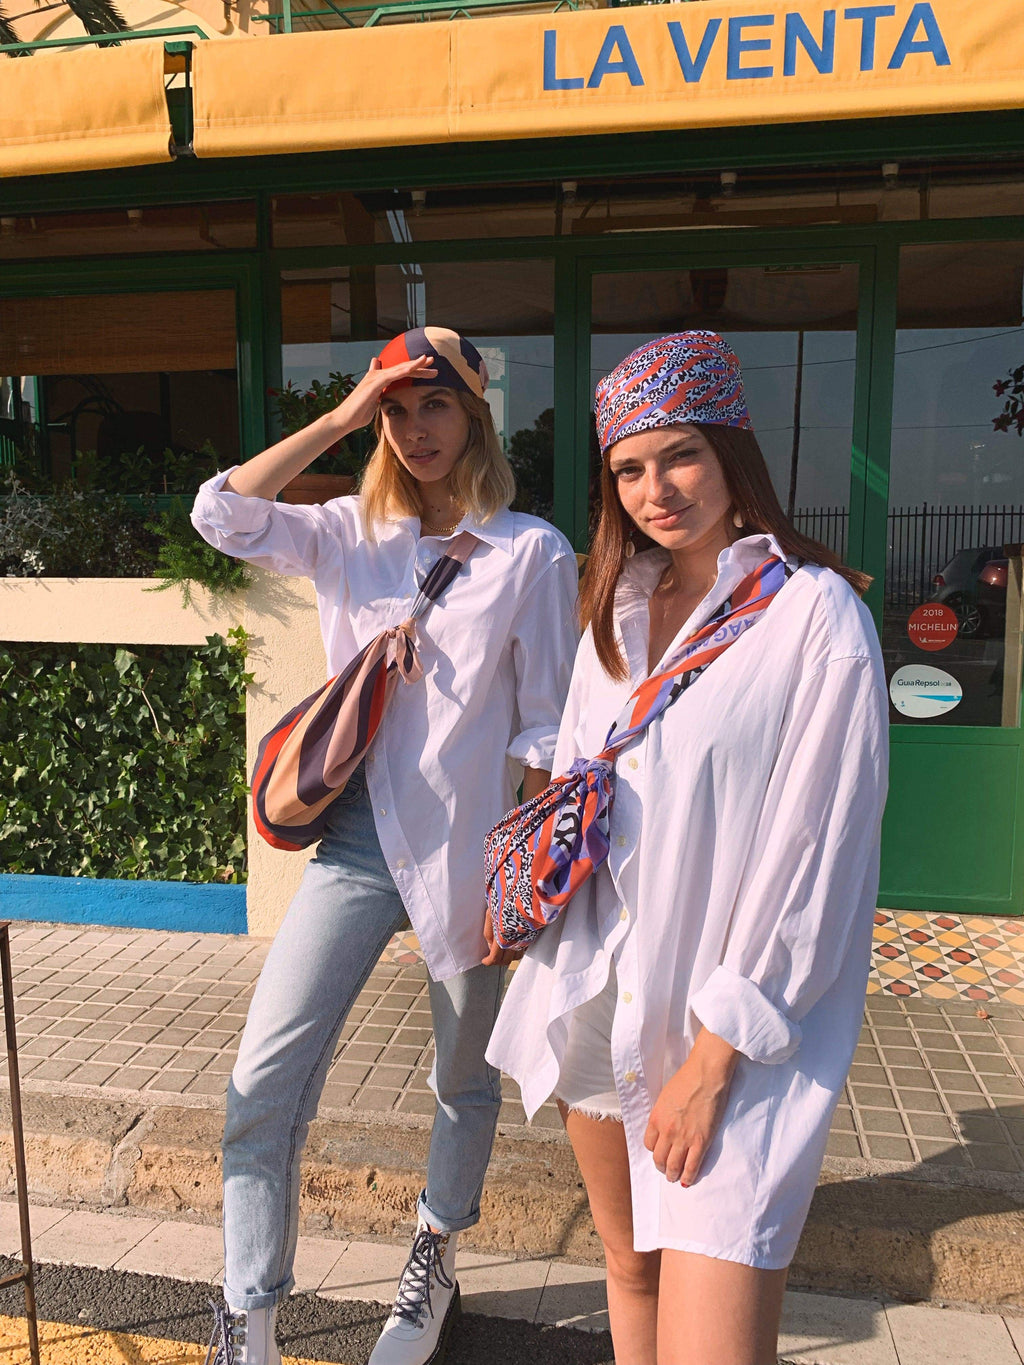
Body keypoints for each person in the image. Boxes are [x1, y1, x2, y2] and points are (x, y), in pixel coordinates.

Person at [486, 331, 888, 1365]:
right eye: (628, 469)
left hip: (732, 1033)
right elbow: (579, 788)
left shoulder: (814, 615)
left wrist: (714, 1059)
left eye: (680, 456)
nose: (655, 490)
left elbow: (818, 854)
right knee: (628, 1271)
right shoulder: (613, 609)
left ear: (730, 453)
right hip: (597, 998)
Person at [191, 327, 578, 1365]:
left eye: (435, 405)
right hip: (355, 845)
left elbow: (546, 728)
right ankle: (250, 1319)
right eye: (396, 411)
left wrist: (526, 879)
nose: (415, 429)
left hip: (468, 854)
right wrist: (337, 416)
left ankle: (432, 1258)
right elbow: (219, 513)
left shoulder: (530, 553)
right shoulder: (346, 532)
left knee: (463, 1079)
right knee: (261, 1084)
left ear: (476, 416)